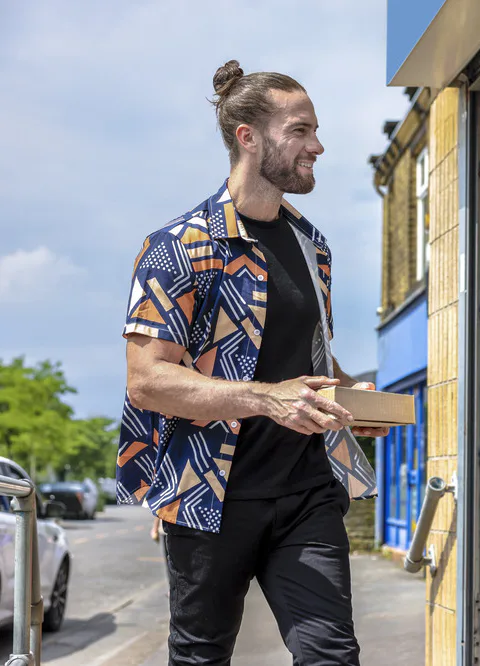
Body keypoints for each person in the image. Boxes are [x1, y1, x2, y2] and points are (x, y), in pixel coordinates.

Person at [116, 59, 388, 666]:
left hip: (307, 492)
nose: (317, 145)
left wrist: (347, 396)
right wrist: (267, 399)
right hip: (211, 496)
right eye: (300, 130)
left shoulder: (310, 244)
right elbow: (148, 380)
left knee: (332, 656)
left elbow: (306, 355)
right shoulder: (178, 247)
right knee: (200, 656)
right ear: (248, 136)